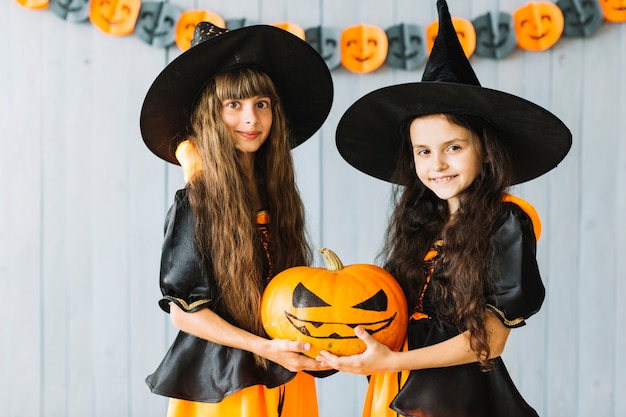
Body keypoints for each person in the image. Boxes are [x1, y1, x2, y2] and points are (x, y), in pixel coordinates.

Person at [325, 1, 572, 416]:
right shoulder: (422, 222)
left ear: (486, 152)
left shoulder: (506, 221)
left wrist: (395, 362)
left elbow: (489, 341)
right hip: (394, 385)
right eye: (423, 151)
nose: (436, 164)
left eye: (453, 148)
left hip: (453, 397)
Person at [139, 22, 334, 417]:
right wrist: (263, 348)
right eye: (235, 105)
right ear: (212, 114)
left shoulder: (278, 194)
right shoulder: (197, 201)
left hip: (285, 370)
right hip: (228, 384)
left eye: (261, 104)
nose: (252, 119)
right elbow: (184, 311)